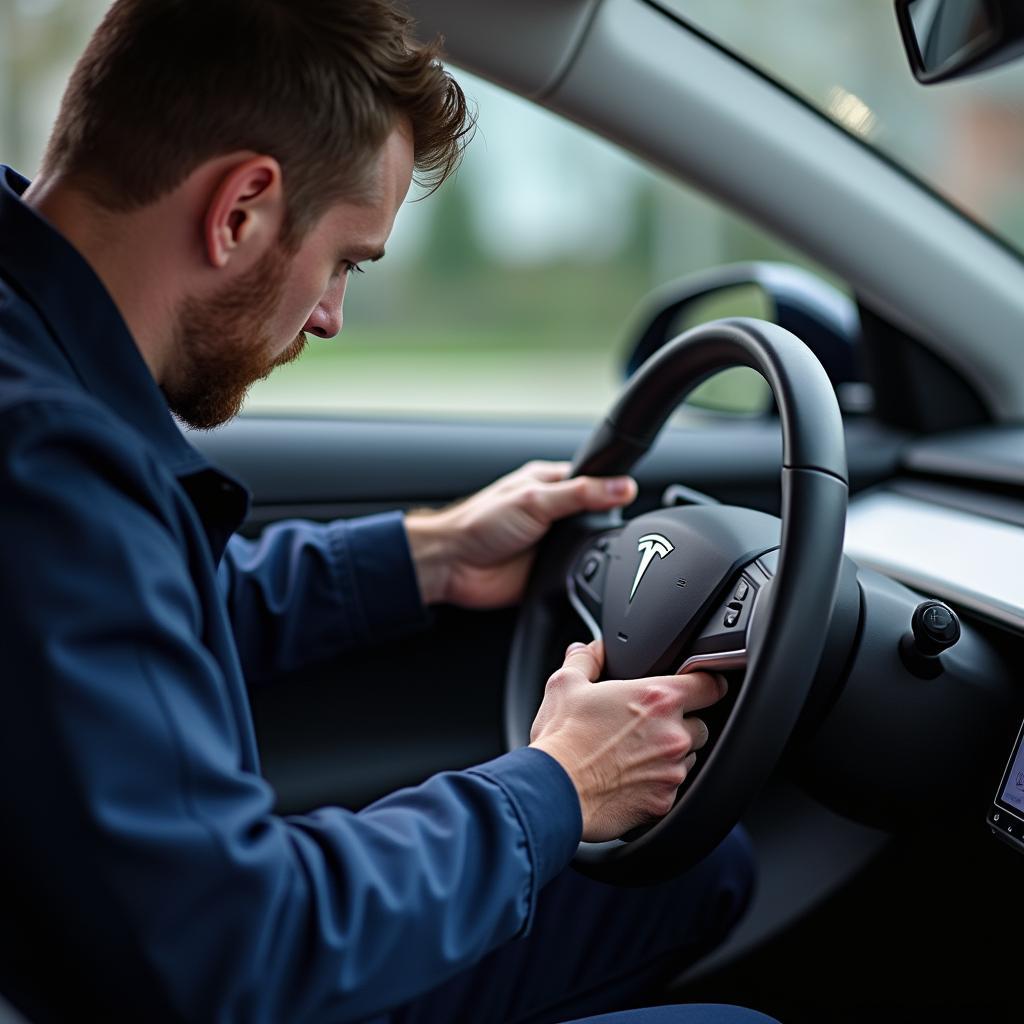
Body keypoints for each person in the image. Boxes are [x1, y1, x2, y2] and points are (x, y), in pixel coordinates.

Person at [0, 1, 770, 1021]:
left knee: (696, 869)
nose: (329, 315)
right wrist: (557, 786)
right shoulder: (51, 461)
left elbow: (130, 621)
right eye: (346, 260)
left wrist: (431, 554)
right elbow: (230, 946)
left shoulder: (40, 380)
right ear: (240, 210)